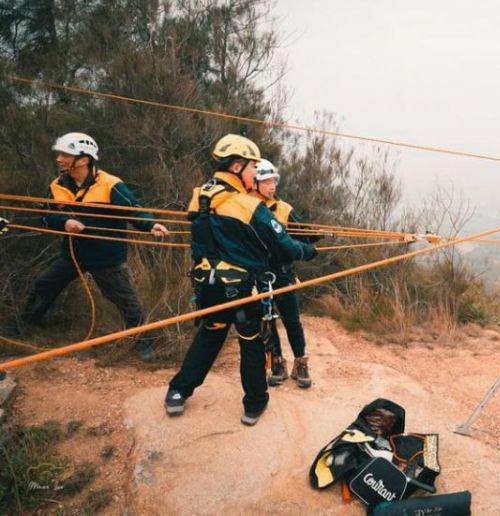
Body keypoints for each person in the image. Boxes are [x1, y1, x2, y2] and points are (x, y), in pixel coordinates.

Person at [165, 134, 317, 426]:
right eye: (252, 168)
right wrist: (309, 251)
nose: (255, 174)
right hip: (240, 288)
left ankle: (178, 391)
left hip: (206, 282)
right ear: (236, 167)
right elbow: (284, 245)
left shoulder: (200, 195)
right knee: (250, 341)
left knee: (210, 334)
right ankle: (255, 403)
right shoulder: (248, 206)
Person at [3, 132, 169, 359]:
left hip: (106, 257)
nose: (59, 159)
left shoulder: (111, 184)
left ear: (84, 159)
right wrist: (65, 222)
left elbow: (133, 208)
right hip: (72, 254)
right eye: (59, 153)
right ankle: (26, 325)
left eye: (65, 154)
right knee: (44, 285)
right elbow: (45, 216)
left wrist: (151, 225)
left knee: (124, 299)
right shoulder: (57, 186)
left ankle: (144, 340)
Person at [250, 159, 320, 388]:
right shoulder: (247, 208)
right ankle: (277, 362)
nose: (272, 186)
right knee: (267, 319)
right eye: (266, 181)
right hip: (259, 274)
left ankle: (301, 363)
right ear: (255, 183)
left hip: (283, 273)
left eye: (273, 181)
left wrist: (311, 238)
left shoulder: (284, 209)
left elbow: (304, 236)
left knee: (292, 319)